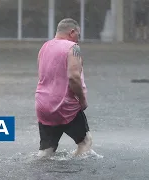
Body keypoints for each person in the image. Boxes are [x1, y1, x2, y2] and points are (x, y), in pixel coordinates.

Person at [35, 18, 92, 157]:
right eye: (78, 34)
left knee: (46, 151)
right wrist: (83, 101)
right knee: (85, 142)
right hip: (65, 106)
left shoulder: (44, 47)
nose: (78, 39)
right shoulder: (73, 48)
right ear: (72, 32)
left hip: (43, 105)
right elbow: (74, 78)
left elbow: (43, 75)